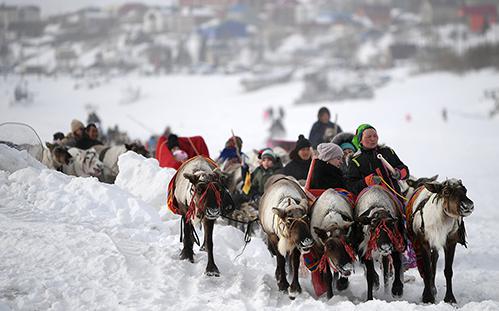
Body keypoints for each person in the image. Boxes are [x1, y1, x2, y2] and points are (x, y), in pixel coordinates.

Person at [346, 124, 409, 196]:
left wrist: (399, 173)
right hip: (371, 203)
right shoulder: (355, 161)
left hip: (396, 198)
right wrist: (368, 181)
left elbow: (405, 170)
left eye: (375, 136)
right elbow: (351, 186)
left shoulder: (388, 152)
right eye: (368, 137)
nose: (373, 139)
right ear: (360, 140)